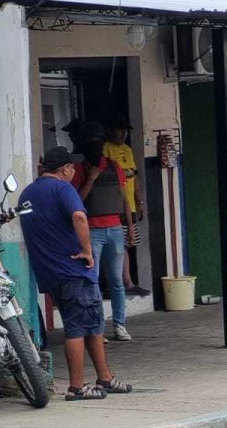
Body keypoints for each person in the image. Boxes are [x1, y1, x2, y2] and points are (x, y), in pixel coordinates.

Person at [21, 147, 132, 400]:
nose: (74, 171)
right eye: (72, 167)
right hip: (73, 269)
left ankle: (105, 378)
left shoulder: (28, 193)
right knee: (77, 327)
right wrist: (88, 252)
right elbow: (80, 217)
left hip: (50, 272)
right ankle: (77, 386)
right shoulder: (63, 188)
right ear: (64, 169)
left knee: (93, 324)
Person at [70, 122, 135, 342]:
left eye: (98, 141)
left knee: (117, 281)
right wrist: (92, 178)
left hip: (115, 228)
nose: (96, 145)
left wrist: (130, 226)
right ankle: (97, 327)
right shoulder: (79, 169)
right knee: (93, 280)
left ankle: (119, 325)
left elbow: (124, 197)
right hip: (92, 230)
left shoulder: (114, 166)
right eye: (92, 141)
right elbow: (77, 200)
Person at [103, 115, 149, 298]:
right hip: (116, 205)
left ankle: (127, 282)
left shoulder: (127, 150)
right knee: (115, 245)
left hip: (129, 204)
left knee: (128, 244)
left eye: (125, 131)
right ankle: (114, 284)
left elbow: (134, 177)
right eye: (119, 130)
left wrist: (139, 201)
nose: (122, 134)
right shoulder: (107, 150)